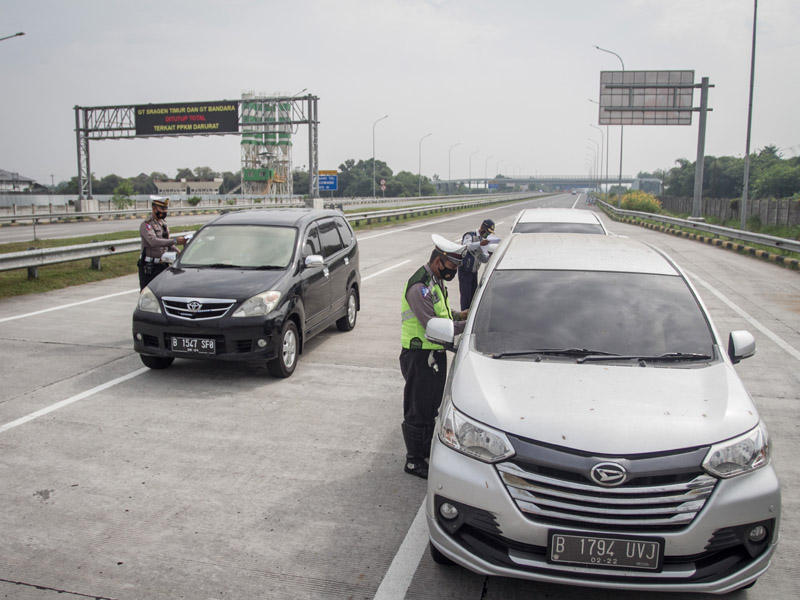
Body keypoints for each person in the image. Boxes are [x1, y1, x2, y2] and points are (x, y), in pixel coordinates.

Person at [399, 234, 469, 479]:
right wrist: (469, 326)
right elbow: (432, 325)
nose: (454, 272)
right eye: (451, 267)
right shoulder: (420, 287)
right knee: (417, 409)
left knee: (430, 407)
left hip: (434, 354)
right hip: (420, 356)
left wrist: (463, 316)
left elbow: (446, 317)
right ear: (439, 261)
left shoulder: (436, 281)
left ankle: (426, 450)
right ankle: (414, 460)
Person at [138, 196, 185, 290]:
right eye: (162, 208)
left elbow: (168, 243)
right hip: (150, 267)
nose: (164, 211)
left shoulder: (163, 224)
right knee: (148, 293)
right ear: (154, 208)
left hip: (163, 265)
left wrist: (179, 252)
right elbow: (153, 241)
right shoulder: (146, 224)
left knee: (163, 291)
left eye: (166, 209)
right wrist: (175, 241)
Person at [457, 218, 495, 311]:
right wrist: (480, 244)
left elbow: (482, 258)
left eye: (489, 233)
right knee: (466, 298)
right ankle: (464, 318)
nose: (487, 234)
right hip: (465, 271)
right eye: (487, 232)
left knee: (474, 297)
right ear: (482, 227)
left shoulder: (482, 240)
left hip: (474, 272)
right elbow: (467, 246)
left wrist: (490, 255)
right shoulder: (470, 236)